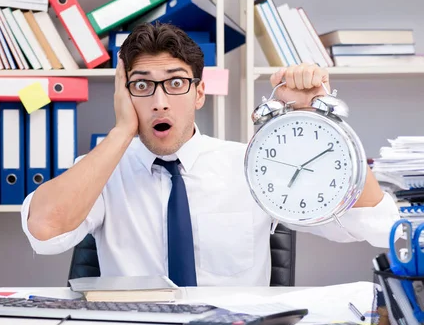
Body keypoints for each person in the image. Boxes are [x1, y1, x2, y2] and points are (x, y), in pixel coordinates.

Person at [21, 22, 399, 286]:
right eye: (141, 86)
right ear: (124, 96)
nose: (159, 101)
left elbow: (375, 222)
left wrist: (320, 120)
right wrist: (122, 130)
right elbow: (45, 231)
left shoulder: (251, 165)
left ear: (199, 93)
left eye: (175, 83)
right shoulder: (99, 173)